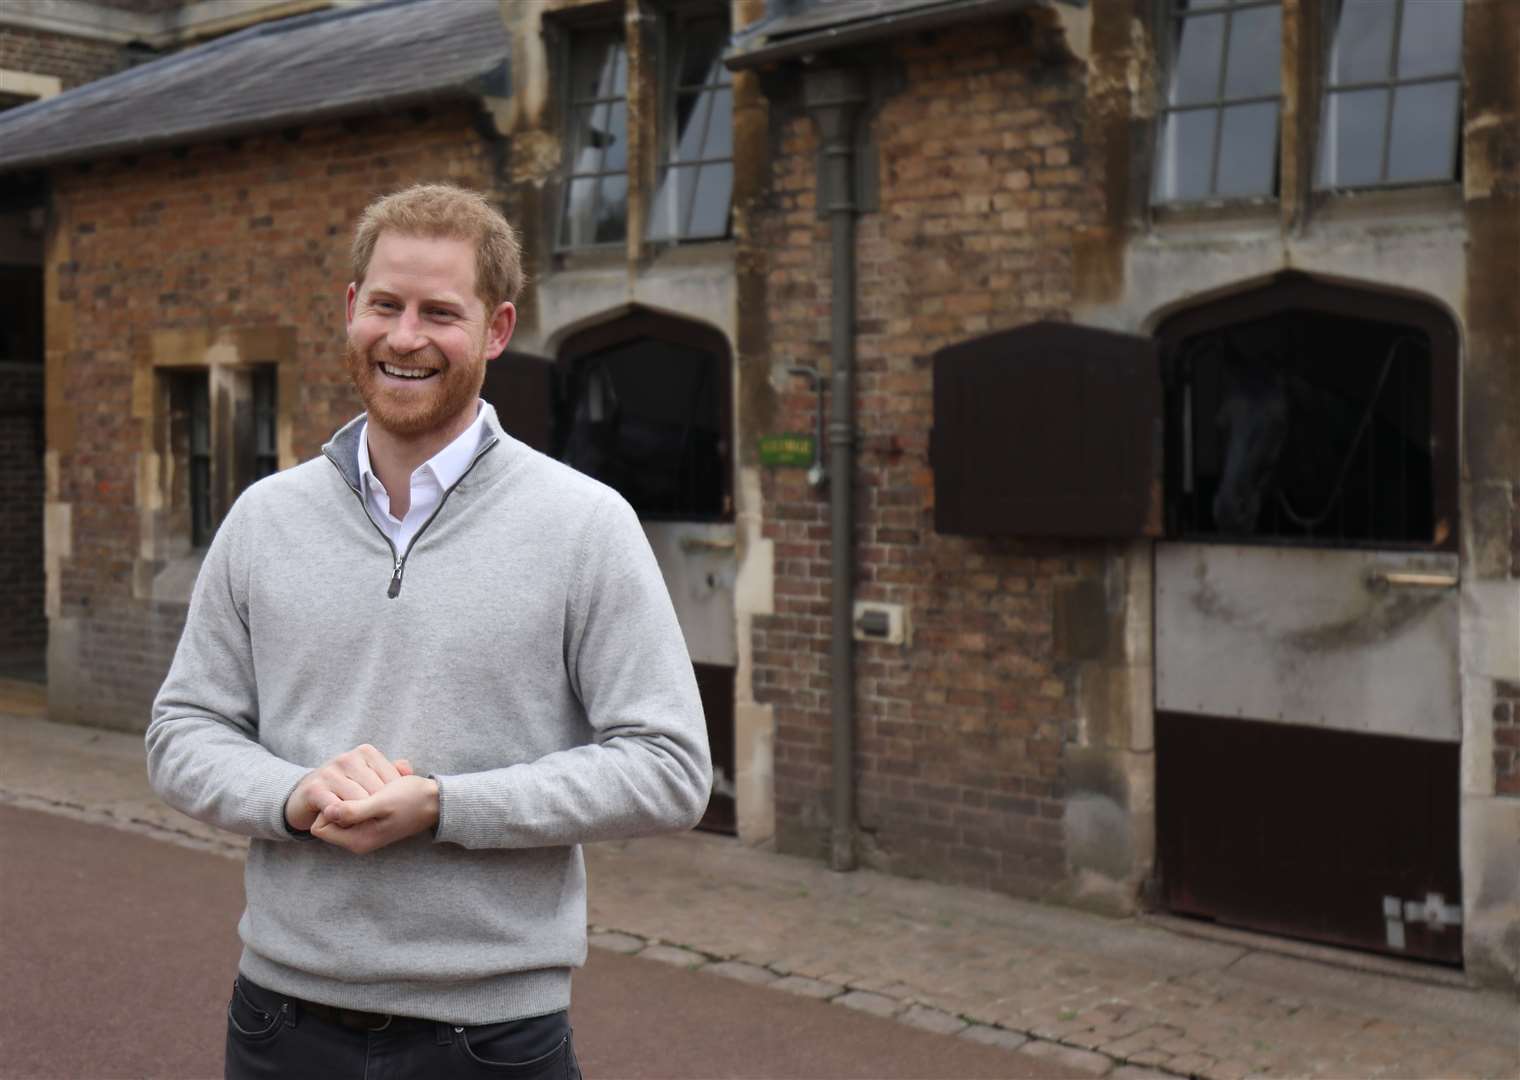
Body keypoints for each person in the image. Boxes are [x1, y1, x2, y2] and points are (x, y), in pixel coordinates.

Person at [146, 183, 711, 1079]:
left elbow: (671, 769)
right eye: (386, 305)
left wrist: (448, 806)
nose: (405, 337)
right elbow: (181, 733)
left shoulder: (584, 523)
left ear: (495, 329)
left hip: (489, 1039)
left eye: (440, 312)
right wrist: (294, 794)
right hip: (278, 1024)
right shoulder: (265, 518)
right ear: (351, 311)